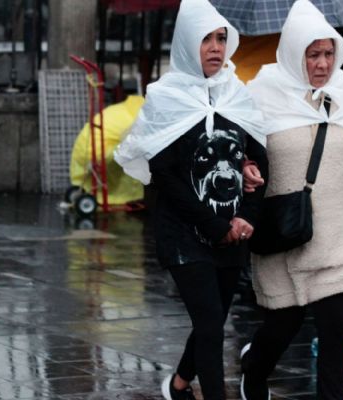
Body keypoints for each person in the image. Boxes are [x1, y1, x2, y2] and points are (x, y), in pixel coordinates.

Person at [113, 1, 267, 399]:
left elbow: (257, 161)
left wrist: (245, 217)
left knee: (211, 321)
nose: (215, 47)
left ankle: (180, 383)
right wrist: (214, 225)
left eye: (221, 38)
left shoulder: (236, 95)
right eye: (205, 39)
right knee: (212, 324)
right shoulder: (167, 98)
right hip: (184, 233)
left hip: (232, 232)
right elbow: (165, 177)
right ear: (185, 43)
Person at [238, 1, 343, 399]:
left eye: (328, 54)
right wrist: (246, 167)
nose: (323, 64)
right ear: (293, 53)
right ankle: (254, 372)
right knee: (282, 327)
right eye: (312, 54)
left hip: (337, 232)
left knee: (335, 330)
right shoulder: (261, 93)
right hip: (286, 232)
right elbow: (240, 149)